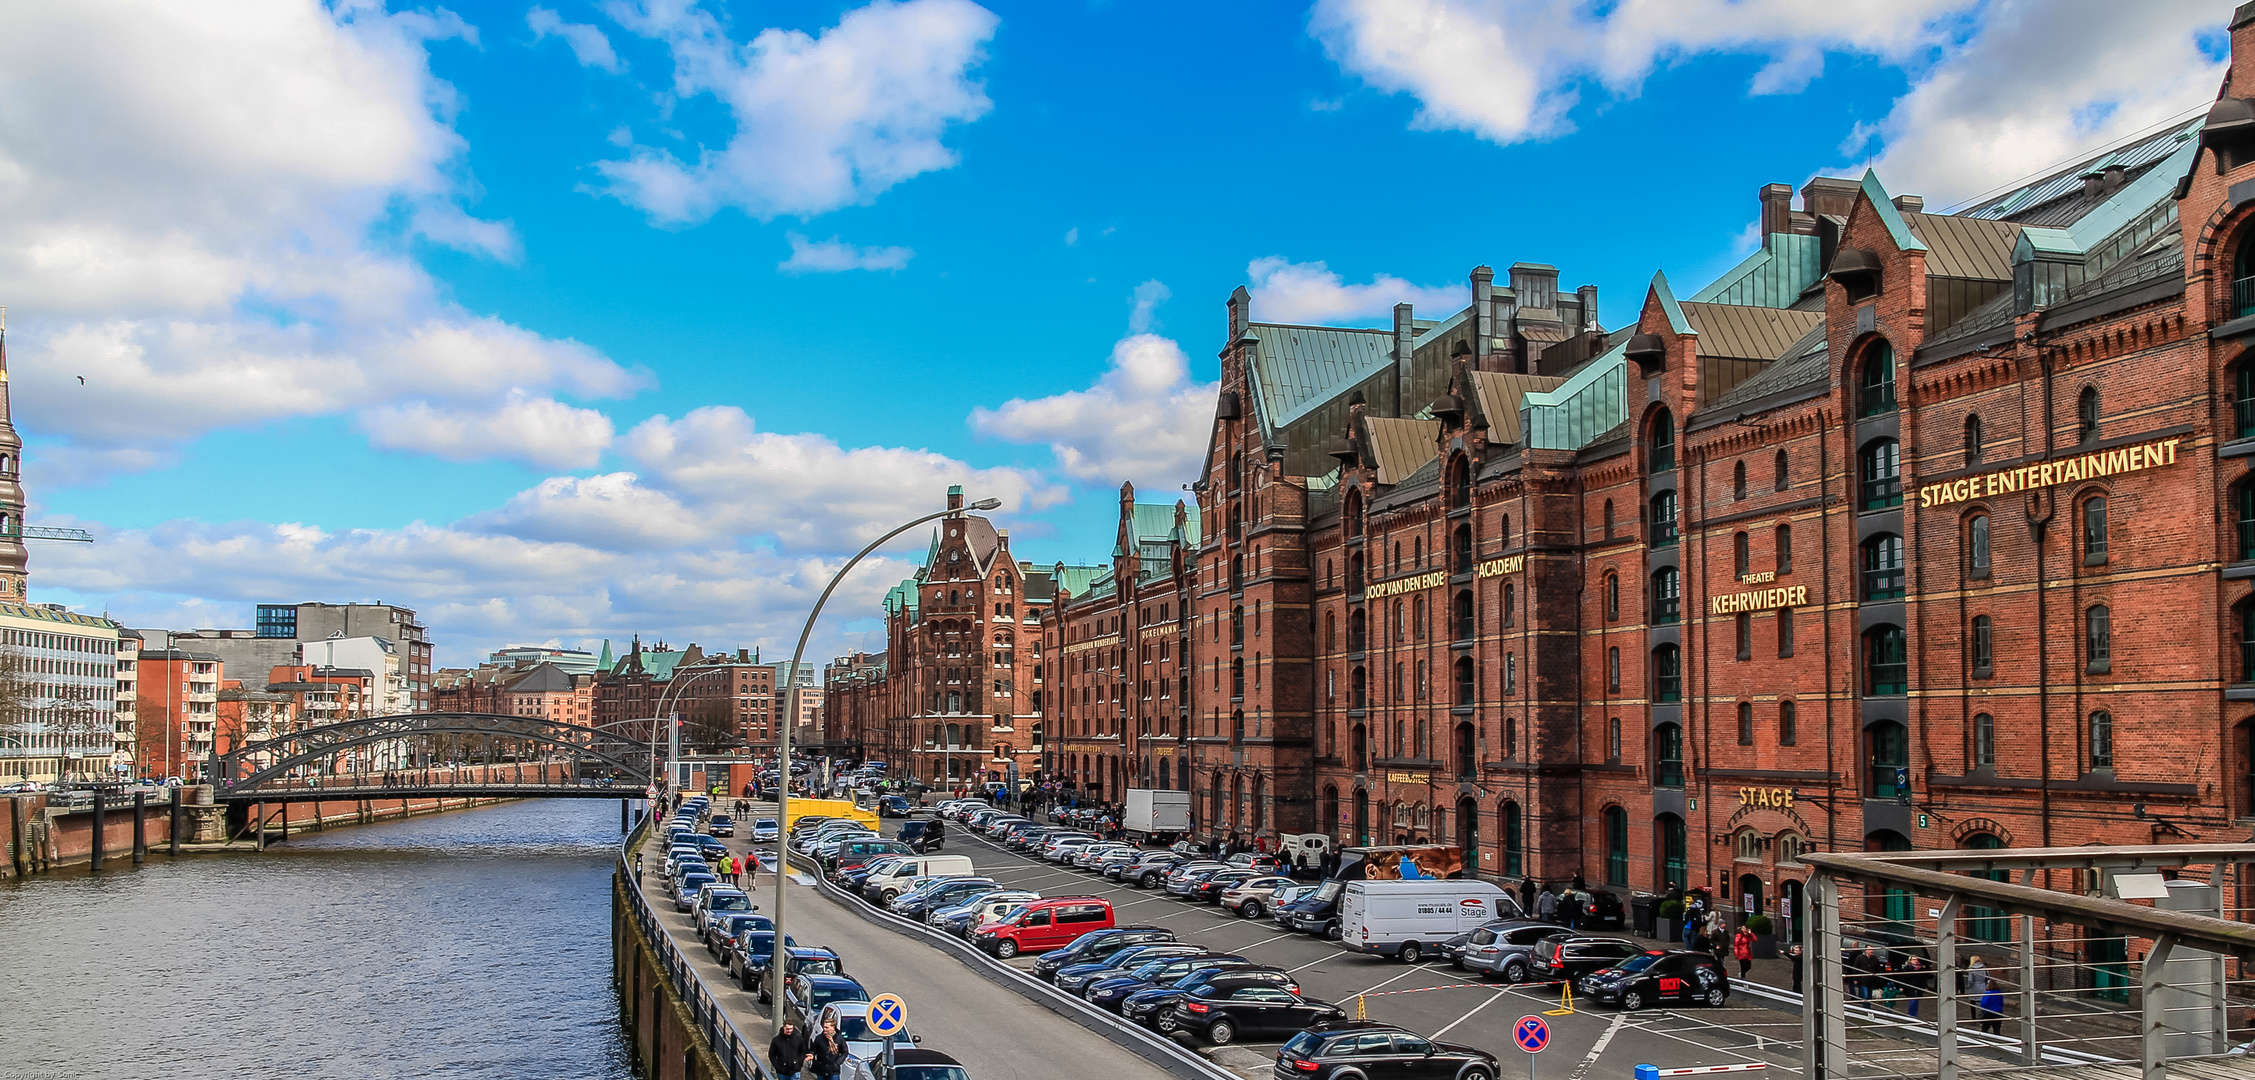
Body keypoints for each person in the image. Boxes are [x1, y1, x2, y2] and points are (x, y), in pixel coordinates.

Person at [809, 1015, 848, 1080]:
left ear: (833, 1028)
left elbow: (845, 1052)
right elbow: (813, 1050)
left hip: (833, 1071)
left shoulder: (839, 1039)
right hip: (821, 1069)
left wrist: (837, 1063)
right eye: (824, 1027)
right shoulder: (819, 1038)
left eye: (827, 1027)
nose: (824, 1029)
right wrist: (811, 1054)